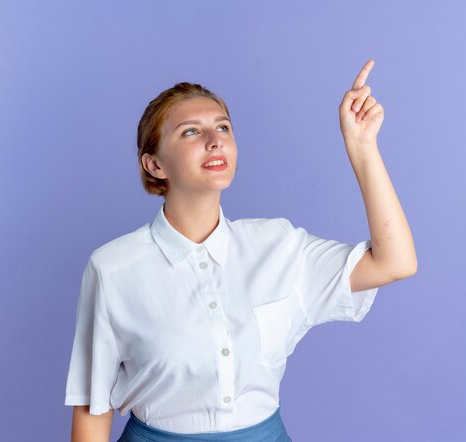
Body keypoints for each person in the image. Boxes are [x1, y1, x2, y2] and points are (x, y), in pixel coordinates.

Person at [65, 59, 418, 441]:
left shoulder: (279, 246)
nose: (214, 140)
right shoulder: (113, 268)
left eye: (223, 127)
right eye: (190, 132)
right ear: (154, 164)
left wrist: (362, 147)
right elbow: (91, 409)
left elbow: (395, 262)